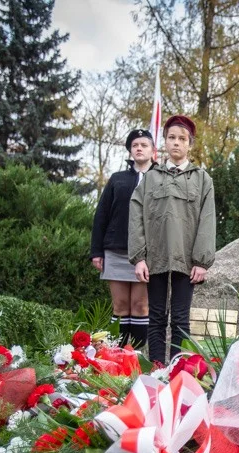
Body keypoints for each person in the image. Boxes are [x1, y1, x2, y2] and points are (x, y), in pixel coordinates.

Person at [129, 115, 215, 365]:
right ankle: (157, 368)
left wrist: (202, 261)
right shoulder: (151, 178)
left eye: (182, 139)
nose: (176, 143)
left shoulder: (202, 179)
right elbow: (136, 216)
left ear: (190, 144)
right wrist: (139, 257)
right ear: (164, 142)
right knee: (155, 316)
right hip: (155, 257)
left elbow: (207, 220)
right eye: (171, 138)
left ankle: (178, 370)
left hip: (187, 260)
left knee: (180, 317)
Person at [89, 128, 155, 347]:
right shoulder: (117, 179)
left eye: (144, 145)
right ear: (130, 150)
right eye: (135, 145)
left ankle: (136, 356)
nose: (139, 148)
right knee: (120, 305)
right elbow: (102, 215)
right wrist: (96, 252)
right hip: (116, 251)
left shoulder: (161, 179)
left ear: (153, 150)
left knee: (140, 305)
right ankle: (116, 356)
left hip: (147, 255)